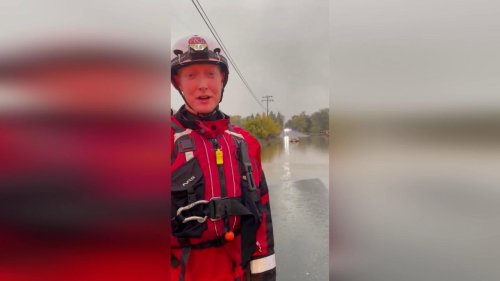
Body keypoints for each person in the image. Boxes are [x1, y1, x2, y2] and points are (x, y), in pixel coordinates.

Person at [170, 35, 276, 281]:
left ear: (223, 80)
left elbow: (262, 216)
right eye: (191, 75)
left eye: (210, 74)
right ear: (179, 84)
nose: (203, 85)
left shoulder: (246, 142)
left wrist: (264, 274)